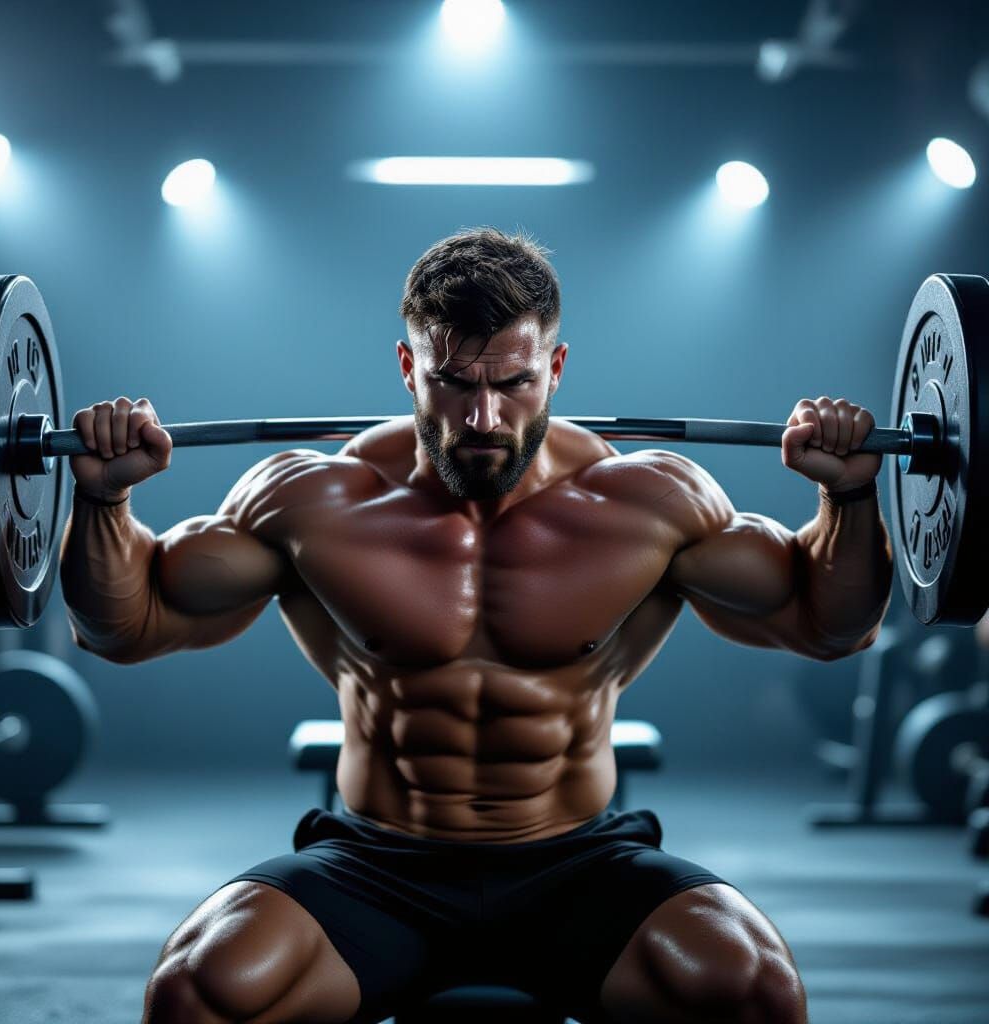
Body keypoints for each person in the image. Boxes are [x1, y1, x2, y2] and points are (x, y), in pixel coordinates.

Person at [60, 228, 893, 1024]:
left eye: (513, 383)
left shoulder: (648, 504)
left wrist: (848, 498)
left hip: (577, 864)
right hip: (377, 866)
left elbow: (827, 625)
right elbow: (129, 625)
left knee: (756, 991)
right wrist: (103, 499)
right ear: (407, 368)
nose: (484, 419)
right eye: (454, 384)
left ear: (556, 367)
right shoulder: (315, 502)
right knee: (197, 991)